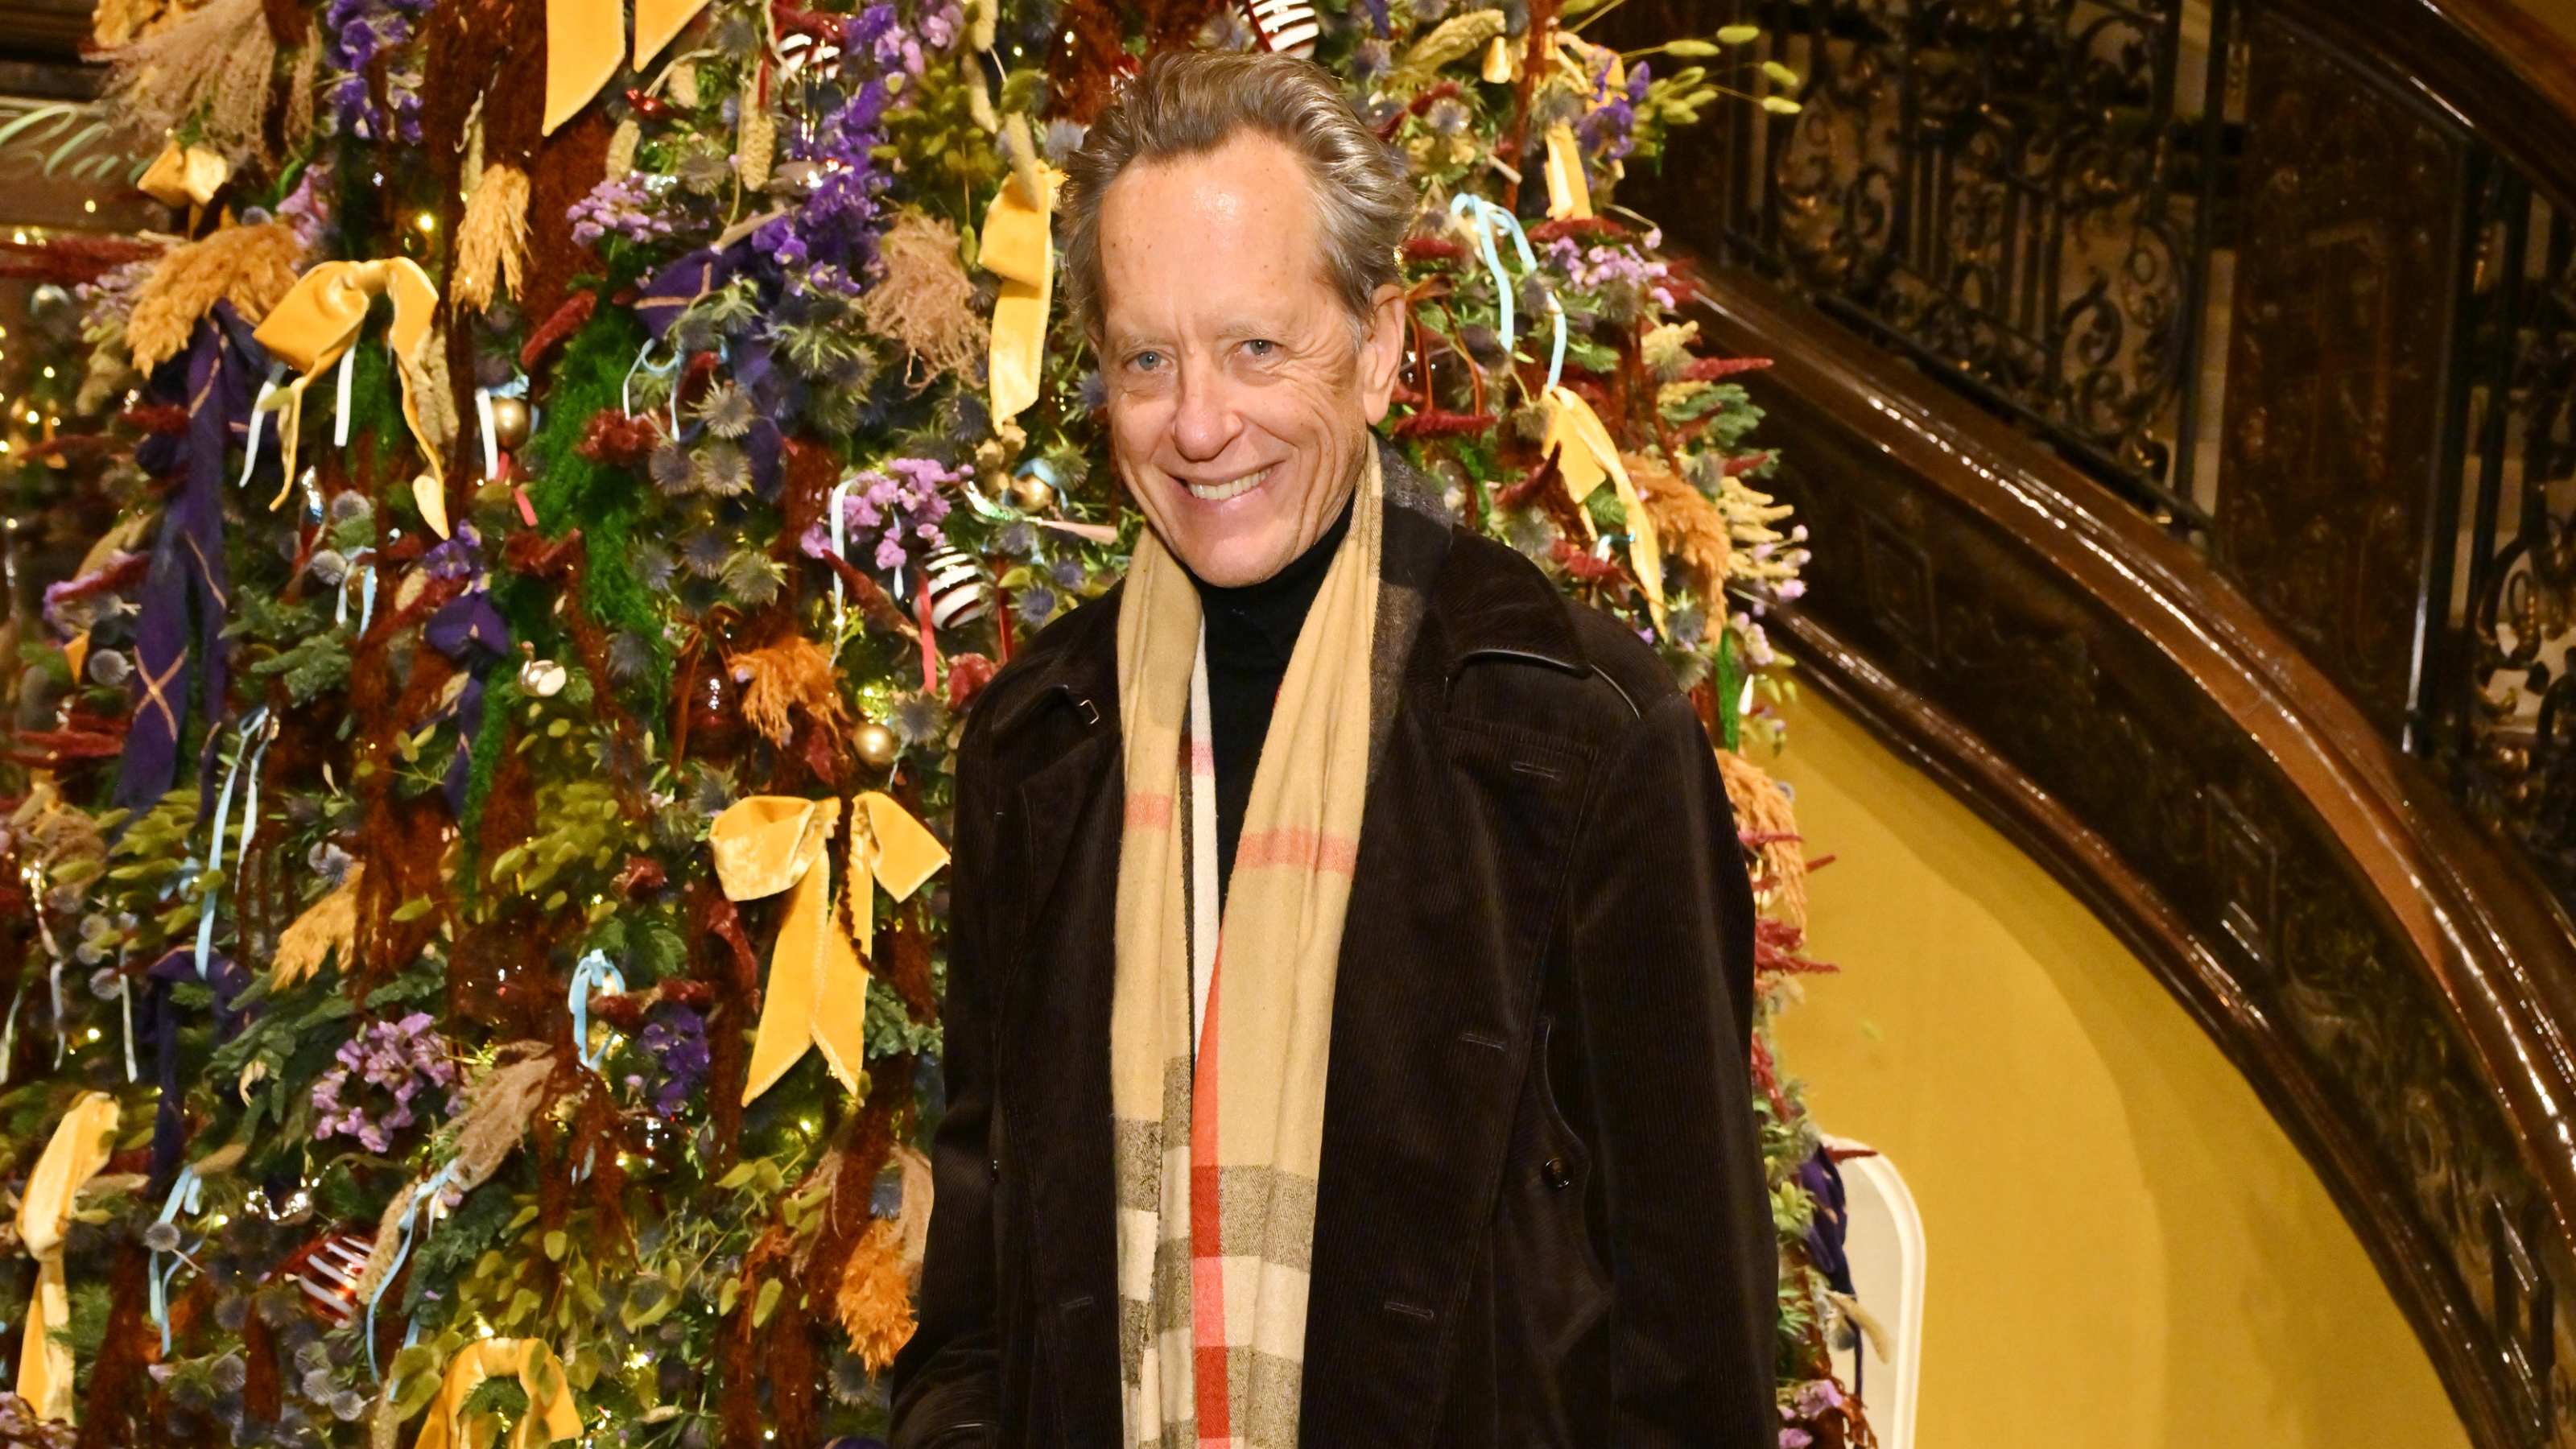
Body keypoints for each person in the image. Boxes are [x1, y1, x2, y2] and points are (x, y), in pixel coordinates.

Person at [890, 48, 1775, 1449]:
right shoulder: (1036, 746)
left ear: (1374, 350)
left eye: (1256, 347)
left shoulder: (1572, 741)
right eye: (1146, 360)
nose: (1197, 423)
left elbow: (1692, 1339)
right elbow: (981, 1303)